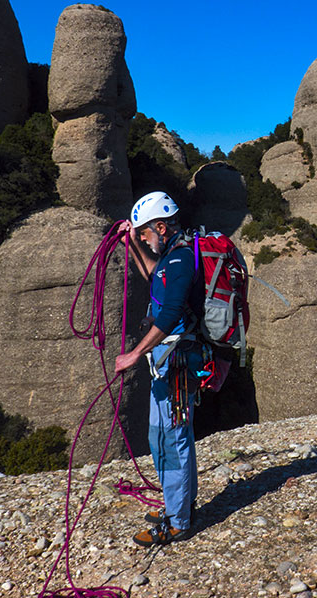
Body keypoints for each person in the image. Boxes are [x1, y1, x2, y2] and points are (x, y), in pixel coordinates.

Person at [115, 191, 203, 546]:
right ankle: (179, 503)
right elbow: (155, 277)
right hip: (168, 362)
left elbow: (170, 314)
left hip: (177, 362)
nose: (148, 238)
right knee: (161, 435)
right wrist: (132, 243)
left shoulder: (181, 260)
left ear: (162, 227)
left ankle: (178, 521)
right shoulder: (173, 256)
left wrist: (135, 353)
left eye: (147, 232)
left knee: (173, 439)